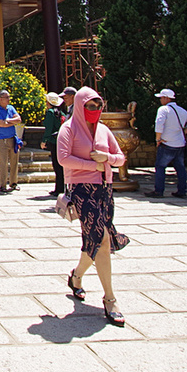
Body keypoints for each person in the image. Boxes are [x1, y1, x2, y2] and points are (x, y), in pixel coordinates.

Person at [57, 86, 129, 326]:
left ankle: (76, 276)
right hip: (81, 189)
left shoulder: (104, 130)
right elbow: (63, 158)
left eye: (99, 106)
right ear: (80, 106)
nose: (95, 110)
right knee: (103, 237)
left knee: (94, 239)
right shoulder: (68, 129)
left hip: (105, 189)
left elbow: (120, 157)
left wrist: (107, 160)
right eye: (90, 105)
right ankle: (110, 298)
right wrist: (92, 166)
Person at [147, 88, 187, 199]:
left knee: (160, 167)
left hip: (167, 143)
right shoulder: (181, 110)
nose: (160, 100)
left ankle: (159, 191)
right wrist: (183, 132)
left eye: (161, 98)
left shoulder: (163, 109)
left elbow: (159, 124)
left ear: (166, 98)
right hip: (179, 143)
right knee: (180, 168)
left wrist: (158, 139)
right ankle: (182, 191)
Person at [0, 89, 22, 193]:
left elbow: (19, 119)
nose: (9, 99)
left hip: (12, 138)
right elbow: (1, 124)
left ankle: (13, 183)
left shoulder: (11, 108)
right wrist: (11, 122)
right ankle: (3, 185)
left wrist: (8, 121)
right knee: (3, 163)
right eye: (7, 97)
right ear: (1, 99)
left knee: (14, 162)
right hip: (1, 140)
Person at [42, 92, 65, 196]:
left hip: (53, 140)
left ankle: (59, 188)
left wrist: (44, 140)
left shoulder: (50, 113)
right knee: (61, 166)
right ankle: (61, 187)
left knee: (56, 165)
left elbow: (48, 129)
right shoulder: (61, 113)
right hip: (61, 141)